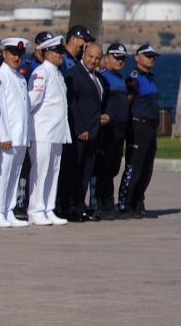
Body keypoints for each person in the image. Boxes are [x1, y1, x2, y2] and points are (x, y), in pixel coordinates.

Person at [26, 34, 71, 227]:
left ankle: (47, 208)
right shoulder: (41, 73)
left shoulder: (58, 73)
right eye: (58, 51)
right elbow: (31, 103)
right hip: (42, 131)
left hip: (57, 131)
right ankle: (35, 210)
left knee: (53, 170)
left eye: (62, 51)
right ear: (47, 53)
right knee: (40, 171)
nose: (62, 55)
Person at [0, 38, 33, 228]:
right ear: (5, 53)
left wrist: (27, 135)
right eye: (13, 53)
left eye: (20, 55)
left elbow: (25, 110)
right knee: (2, 174)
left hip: (20, 136)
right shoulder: (1, 76)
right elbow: (0, 109)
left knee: (14, 175)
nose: (17, 57)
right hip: (8, 136)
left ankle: (9, 210)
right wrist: (4, 135)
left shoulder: (20, 78)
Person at [61, 42, 106, 222]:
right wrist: (80, 128)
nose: (93, 61)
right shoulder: (73, 75)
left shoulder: (98, 78)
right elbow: (72, 104)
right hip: (79, 133)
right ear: (83, 54)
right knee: (73, 171)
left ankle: (80, 206)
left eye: (97, 58)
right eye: (90, 57)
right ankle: (68, 207)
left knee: (86, 172)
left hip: (94, 133)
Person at [119, 44, 160, 218]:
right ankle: (125, 205)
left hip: (150, 128)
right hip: (138, 126)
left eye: (153, 56)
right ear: (137, 58)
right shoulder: (134, 78)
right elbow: (128, 101)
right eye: (147, 55)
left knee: (146, 169)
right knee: (133, 167)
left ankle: (138, 204)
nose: (151, 58)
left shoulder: (150, 78)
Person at [93, 43, 130, 219]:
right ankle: (99, 204)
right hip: (107, 129)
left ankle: (109, 203)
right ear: (107, 58)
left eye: (122, 58)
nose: (119, 61)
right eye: (116, 57)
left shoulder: (120, 79)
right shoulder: (103, 77)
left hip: (119, 129)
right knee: (103, 168)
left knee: (113, 168)